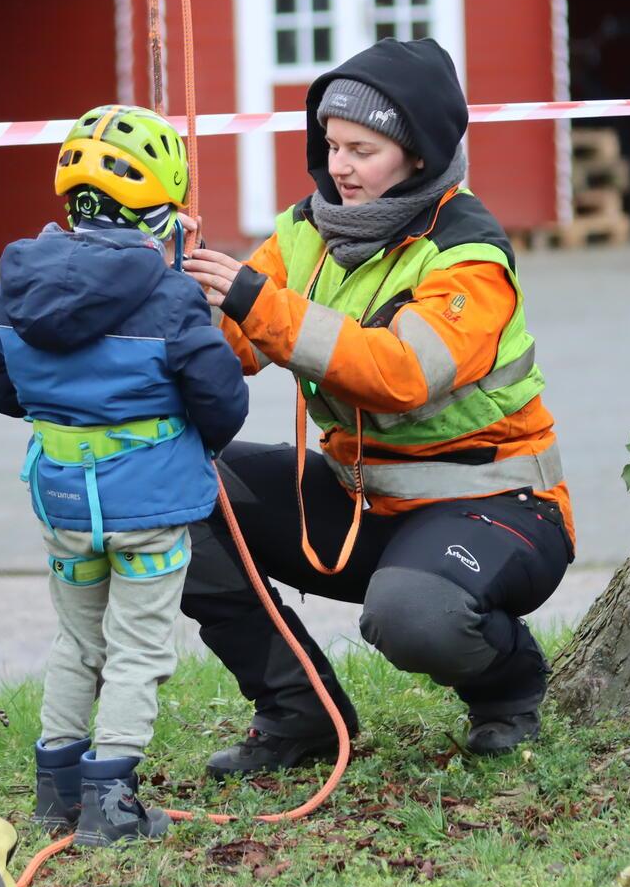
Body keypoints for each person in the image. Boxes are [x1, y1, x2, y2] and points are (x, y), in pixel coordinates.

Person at [178, 37, 575, 774]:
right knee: (171, 489)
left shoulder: (469, 254)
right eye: (331, 144)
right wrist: (159, 290)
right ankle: (300, 712)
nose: (338, 165)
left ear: (417, 155)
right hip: (365, 500)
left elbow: (400, 373)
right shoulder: (308, 227)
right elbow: (233, 340)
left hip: (500, 503)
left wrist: (253, 302)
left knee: (411, 616)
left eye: (362, 149)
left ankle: (510, 686)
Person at [0, 105, 249, 846]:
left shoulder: (16, 281)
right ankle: (111, 801)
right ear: (162, 211)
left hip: (62, 497)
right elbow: (223, 398)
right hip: (151, 505)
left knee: (77, 638)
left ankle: (55, 787)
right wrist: (200, 439)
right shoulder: (170, 294)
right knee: (139, 646)